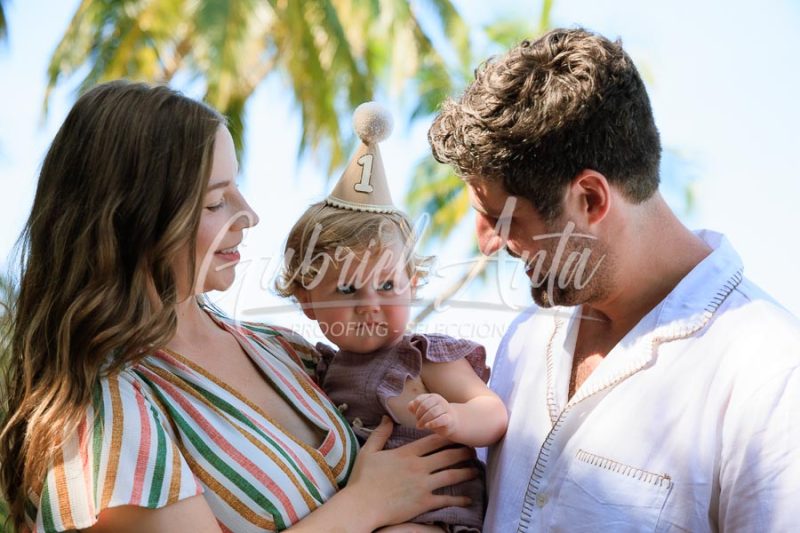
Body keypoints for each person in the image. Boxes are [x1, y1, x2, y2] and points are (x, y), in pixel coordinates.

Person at [0, 80, 477, 533]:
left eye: (237, 189)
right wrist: (367, 503)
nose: (249, 214)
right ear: (131, 221)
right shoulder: (105, 409)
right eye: (215, 203)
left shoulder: (286, 352)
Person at [428, 27, 800, 532]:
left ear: (591, 199)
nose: (489, 244)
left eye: (506, 220)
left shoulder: (771, 376)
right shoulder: (525, 340)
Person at [276, 102, 508, 533]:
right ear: (307, 301)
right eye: (346, 289)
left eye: (386, 286)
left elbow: (492, 412)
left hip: (432, 515)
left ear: (413, 284)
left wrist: (455, 418)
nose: (370, 303)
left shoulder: (424, 357)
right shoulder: (318, 369)